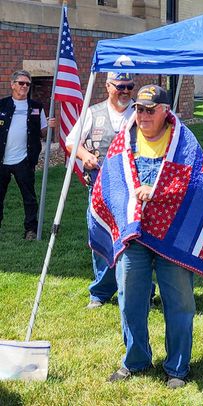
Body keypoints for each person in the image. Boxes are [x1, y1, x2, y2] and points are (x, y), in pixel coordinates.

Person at [88, 85, 203, 388]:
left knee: (179, 302)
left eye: (149, 110)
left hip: (174, 237)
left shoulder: (184, 143)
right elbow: (111, 180)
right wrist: (129, 201)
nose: (142, 115)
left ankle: (177, 368)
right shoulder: (125, 138)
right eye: (139, 109)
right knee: (130, 298)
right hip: (134, 235)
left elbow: (198, 185)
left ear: (165, 111)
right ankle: (136, 361)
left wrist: (157, 191)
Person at [66, 72, 137, 308]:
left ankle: (139, 290)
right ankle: (101, 291)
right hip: (100, 190)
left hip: (133, 191)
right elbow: (70, 141)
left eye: (130, 86)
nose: (125, 91)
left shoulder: (141, 113)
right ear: (108, 86)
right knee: (102, 236)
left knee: (134, 241)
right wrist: (85, 156)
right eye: (120, 86)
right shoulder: (92, 113)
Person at [0, 70, 55, 240]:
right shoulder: (2, 105)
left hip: (25, 160)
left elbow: (43, 133)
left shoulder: (36, 107)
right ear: (12, 84)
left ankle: (30, 230)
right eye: (21, 83)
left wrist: (50, 127)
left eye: (27, 84)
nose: (24, 86)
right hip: (2, 160)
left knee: (29, 197)